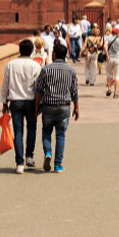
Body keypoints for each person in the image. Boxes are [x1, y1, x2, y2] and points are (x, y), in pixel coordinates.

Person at [34, 43, 79, 172]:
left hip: (48, 106)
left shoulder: (46, 69)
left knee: (46, 131)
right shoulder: (71, 71)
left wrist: (36, 106)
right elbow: (74, 91)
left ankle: (48, 153)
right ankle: (58, 164)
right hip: (64, 106)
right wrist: (77, 107)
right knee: (60, 135)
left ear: (54, 54)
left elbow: (39, 90)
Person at [0, 39, 41, 173]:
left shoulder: (11, 65)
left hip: (15, 102)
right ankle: (29, 156)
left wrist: (4, 102)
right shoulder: (35, 66)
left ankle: (20, 163)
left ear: (20, 50)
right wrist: (39, 104)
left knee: (18, 132)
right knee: (32, 128)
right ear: (31, 51)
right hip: (30, 101)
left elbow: (5, 85)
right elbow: (38, 87)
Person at [105, 27, 119, 98]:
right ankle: (116, 92)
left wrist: (107, 55)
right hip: (117, 58)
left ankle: (109, 89)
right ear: (118, 33)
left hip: (109, 58)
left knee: (109, 74)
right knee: (117, 76)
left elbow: (104, 47)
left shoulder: (108, 38)